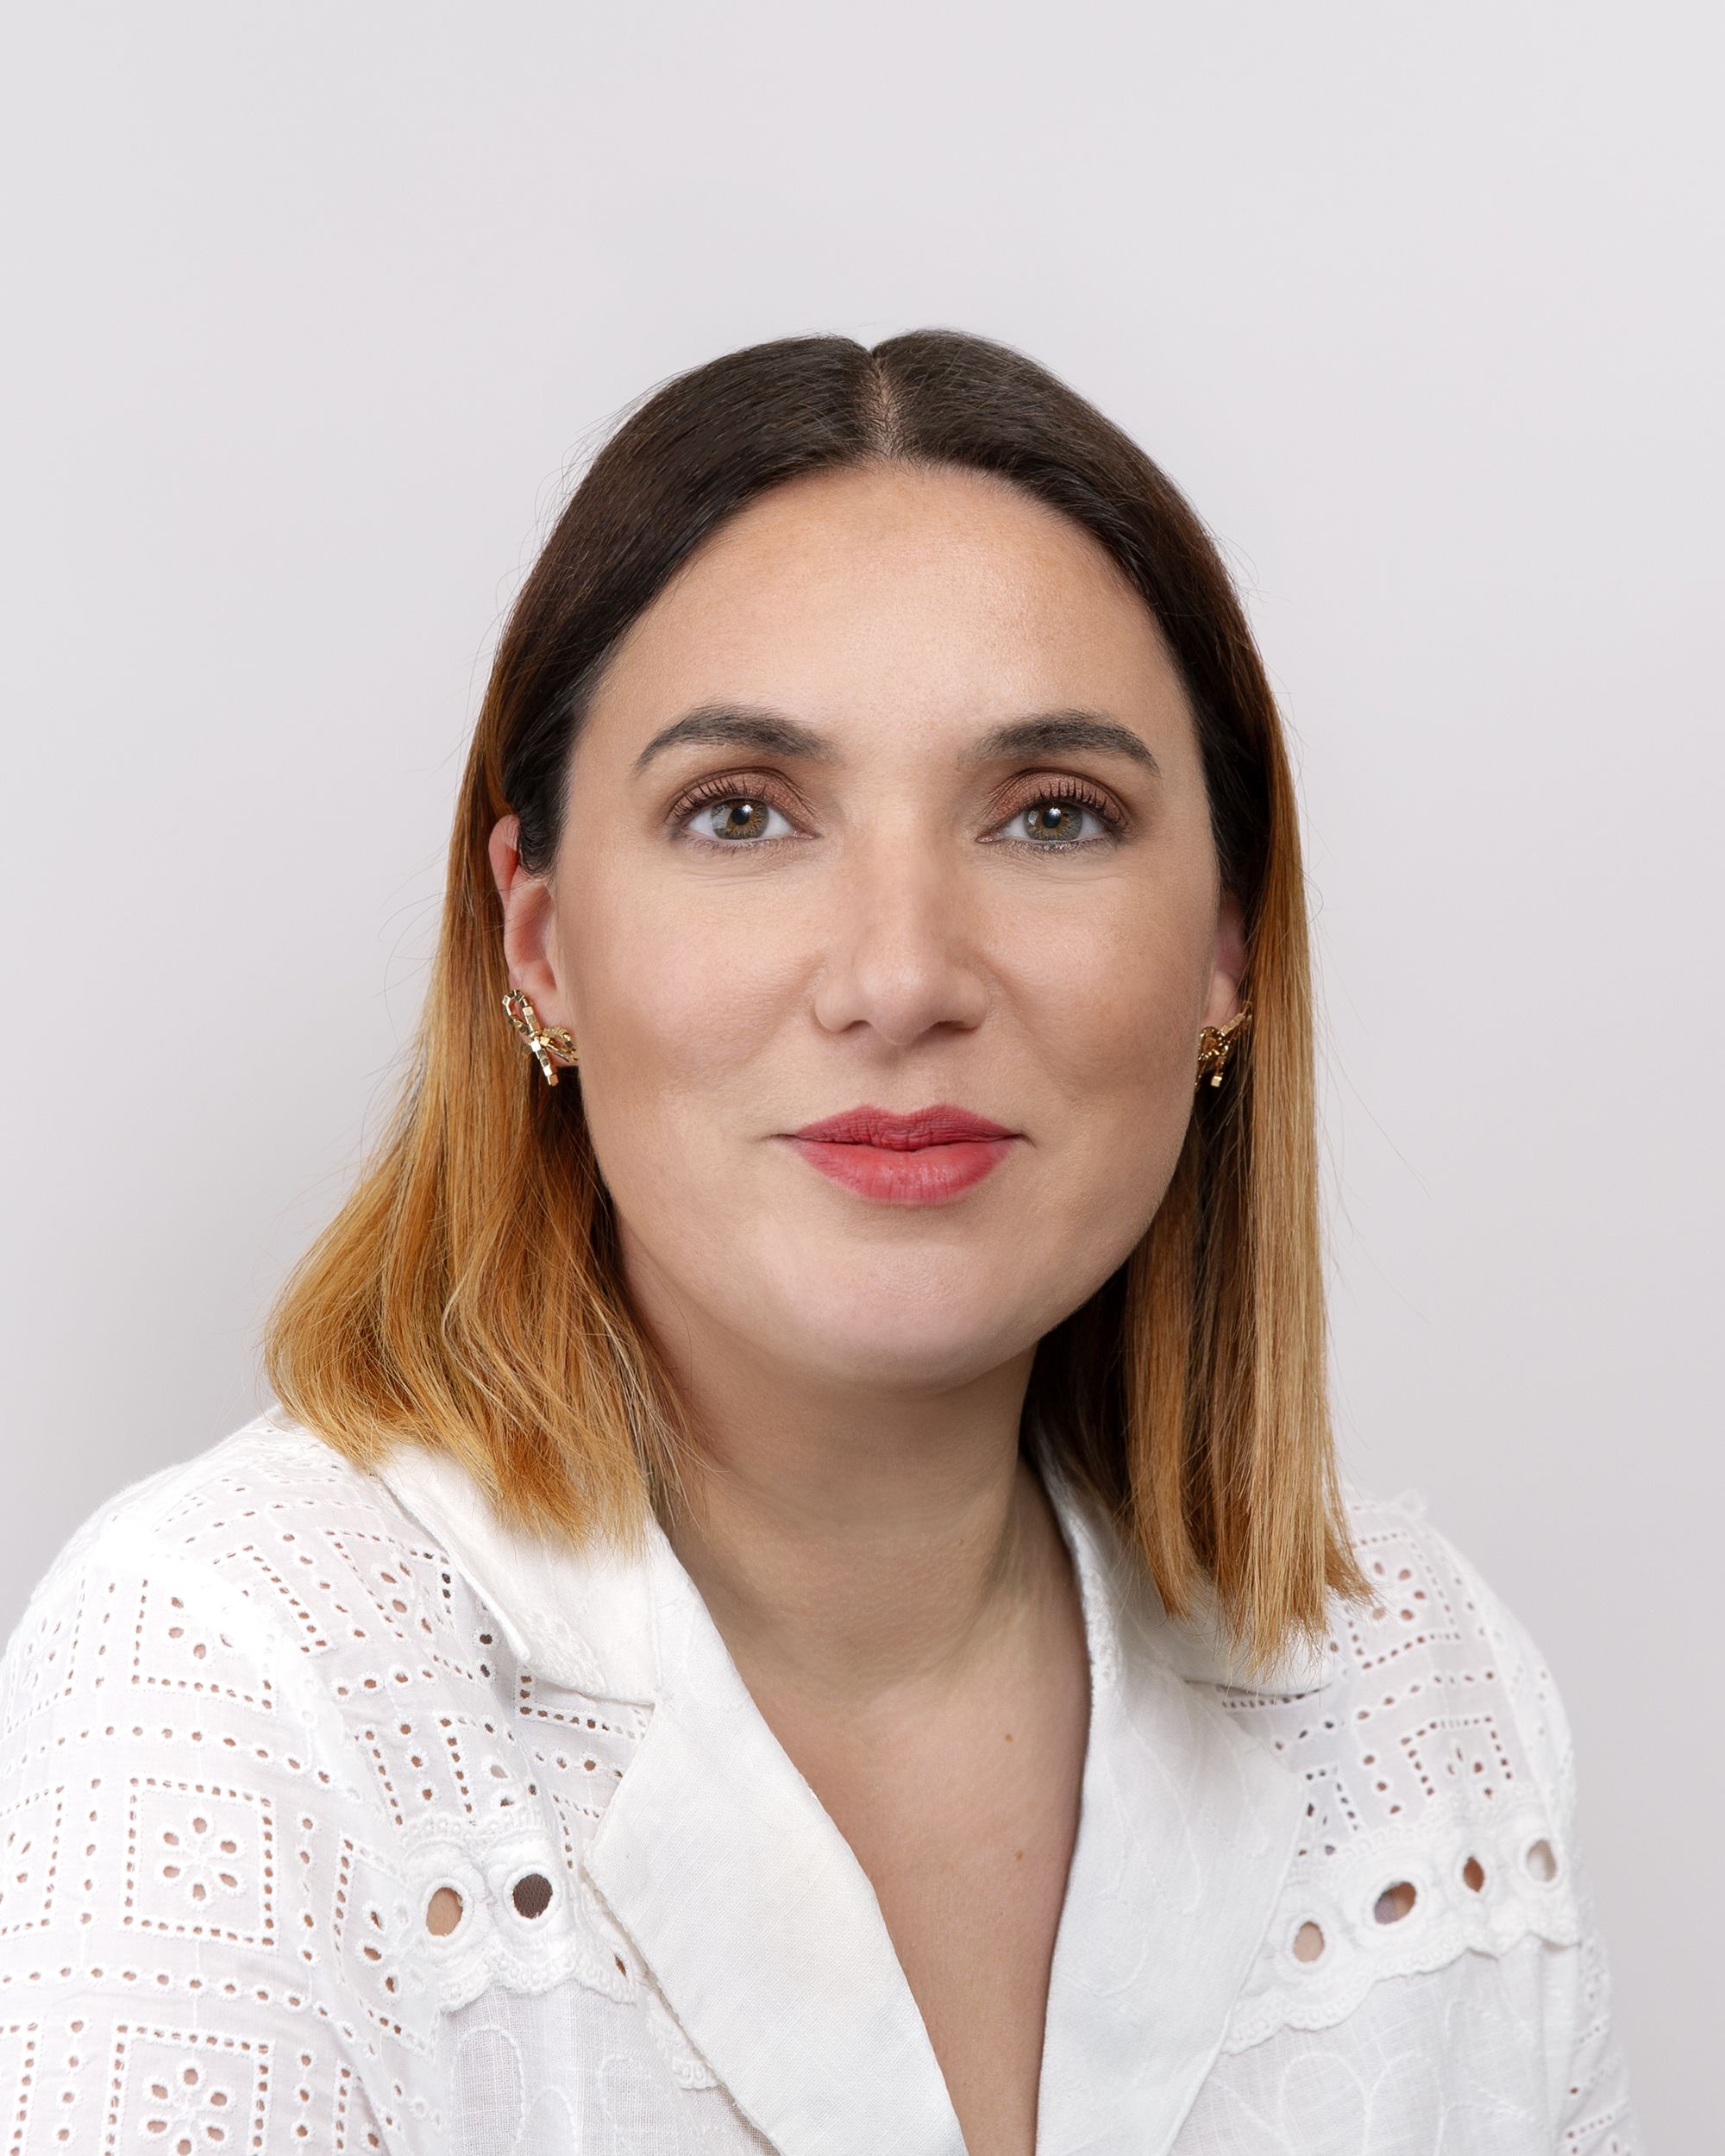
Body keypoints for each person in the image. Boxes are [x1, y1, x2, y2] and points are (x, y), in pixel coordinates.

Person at [0, 330, 1640, 2154]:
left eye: (1051, 815)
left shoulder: (1426, 1695)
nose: (902, 974)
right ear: (541, 943)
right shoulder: (243, 1679)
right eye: (741, 813)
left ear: (1225, 951)